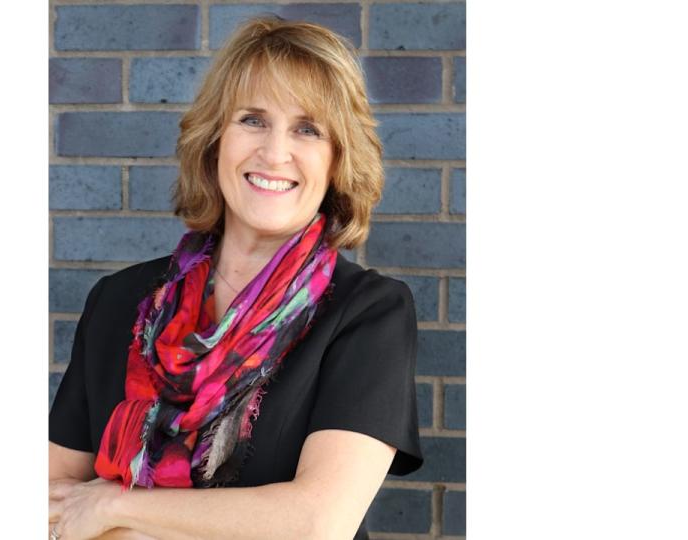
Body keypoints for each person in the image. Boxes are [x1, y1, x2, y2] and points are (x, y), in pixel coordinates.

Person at [49, 16, 423, 540]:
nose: (274, 152)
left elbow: (317, 522)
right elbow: (50, 504)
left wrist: (115, 507)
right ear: (215, 139)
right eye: (252, 119)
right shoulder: (118, 300)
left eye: (308, 129)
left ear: (338, 159)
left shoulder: (368, 312)